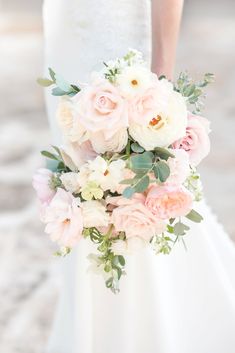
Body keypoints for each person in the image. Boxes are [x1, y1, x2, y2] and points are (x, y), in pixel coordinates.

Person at [42, 1, 235, 352]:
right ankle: (93, 331)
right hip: (66, 36)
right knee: (81, 195)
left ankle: (153, 333)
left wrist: (160, 80)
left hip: (118, 40)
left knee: (132, 193)